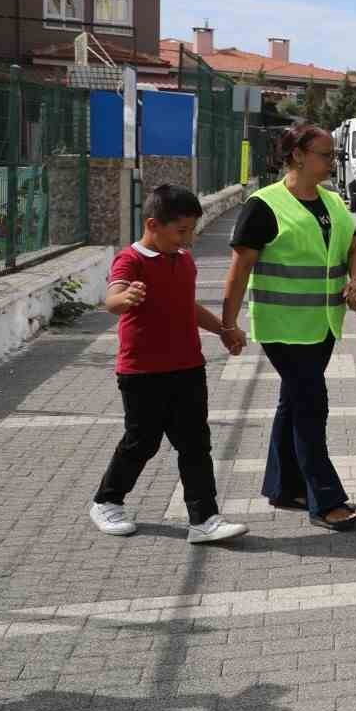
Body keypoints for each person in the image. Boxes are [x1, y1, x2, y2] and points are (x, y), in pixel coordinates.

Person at [222, 124, 356, 532]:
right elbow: (240, 270)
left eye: (334, 155)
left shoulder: (333, 202)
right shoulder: (264, 205)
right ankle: (325, 499)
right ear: (299, 156)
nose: (332, 161)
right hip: (283, 328)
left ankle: (283, 485)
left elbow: (355, 250)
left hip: (321, 326)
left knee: (293, 403)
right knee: (311, 406)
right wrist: (227, 324)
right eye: (325, 154)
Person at [90, 185, 250, 543]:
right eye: (182, 231)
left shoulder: (183, 259)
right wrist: (125, 297)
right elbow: (112, 299)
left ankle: (204, 519)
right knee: (141, 442)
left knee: (195, 443)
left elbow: (187, 308)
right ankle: (106, 501)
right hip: (142, 373)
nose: (189, 239)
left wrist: (224, 329)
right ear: (152, 224)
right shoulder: (130, 260)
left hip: (189, 367)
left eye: (192, 230)